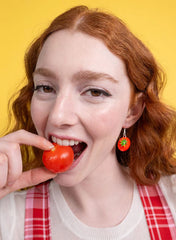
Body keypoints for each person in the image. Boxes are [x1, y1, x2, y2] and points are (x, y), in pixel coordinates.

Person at [0, 5, 176, 240]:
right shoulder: (8, 219)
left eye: (94, 92)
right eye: (45, 87)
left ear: (132, 111)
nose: (57, 116)